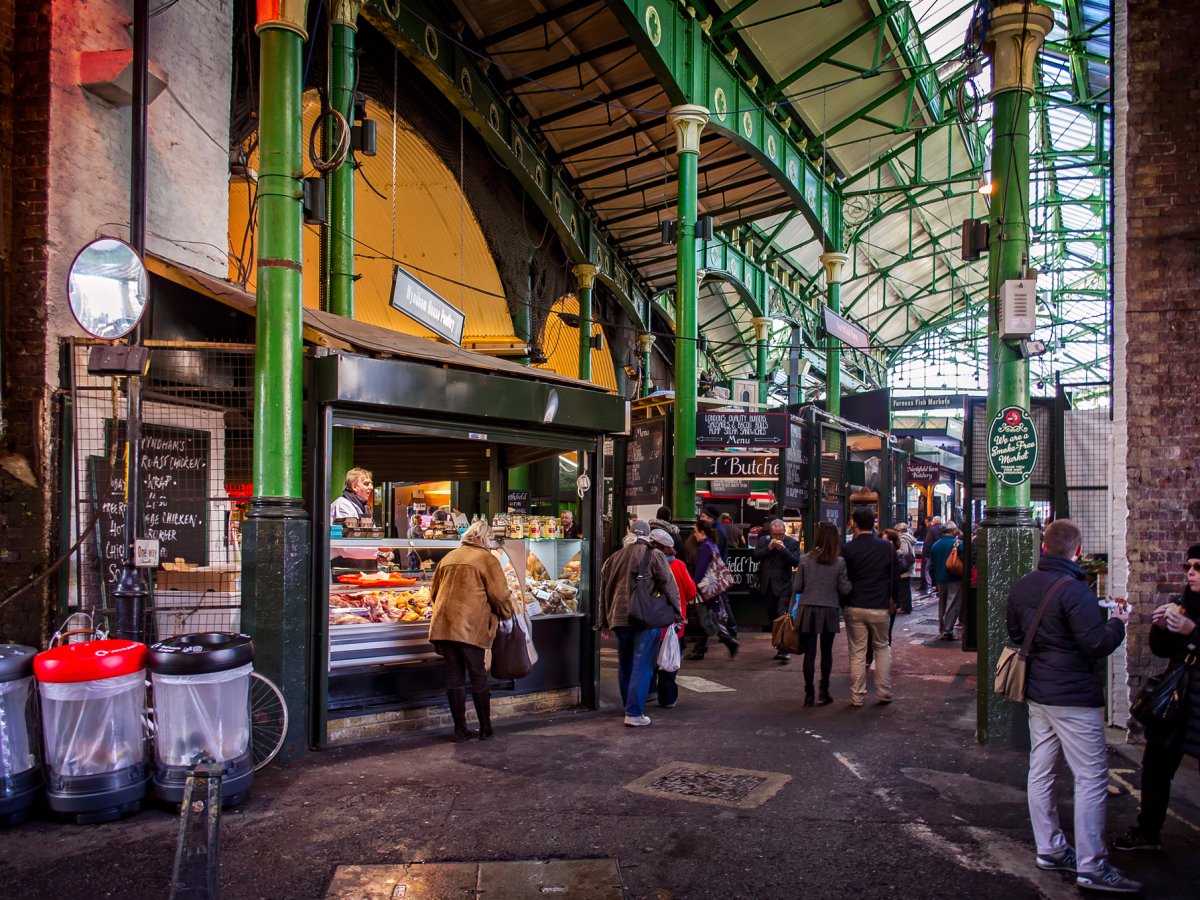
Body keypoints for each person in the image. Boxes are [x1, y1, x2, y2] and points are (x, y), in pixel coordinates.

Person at [1006, 519, 1139, 894]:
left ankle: (1049, 848)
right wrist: (1118, 622)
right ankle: (1092, 866)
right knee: (1092, 777)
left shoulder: (1023, 585)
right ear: (1077, 551)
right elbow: (1095, 644)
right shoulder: (1076, 590)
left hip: (1038, 692)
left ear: (1044, 547)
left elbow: (1016, 634)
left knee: (1041, 771)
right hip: (1074, 697)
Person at [1113, 542, 1200, 852]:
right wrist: (1161, 628)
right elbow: (1162, 650)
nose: (1191, 573)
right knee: (1156, 765)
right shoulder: (1183, 602)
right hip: (1177, 699)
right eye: (1188, 566)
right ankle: (1147, 831)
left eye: (1198, 567)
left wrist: (1193, 631)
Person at [428, 520, 516, 742]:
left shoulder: (449, 557)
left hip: (444, 625)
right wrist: (507, 616)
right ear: (485, 538)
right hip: (470, 626)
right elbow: (499, 596)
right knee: (478, 675)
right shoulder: (487, 559)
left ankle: (460, 730)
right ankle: (486, 728)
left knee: (454, 676)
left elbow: (433, 592)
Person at [598, 520, 679, 727]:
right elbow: (669, 586)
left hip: (618, 618)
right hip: (645, 618)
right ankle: (634, 713)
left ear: (630, 534)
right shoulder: (654, 555)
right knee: (642, 665)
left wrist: (603, 620)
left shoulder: (613, 558)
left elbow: (603, 592)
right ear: (648, 535)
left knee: (625, 664)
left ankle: (629, 706)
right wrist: (677, 612)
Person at [841, 507, 896, 707]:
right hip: (879, 605)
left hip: (855, 604)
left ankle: (857, 695)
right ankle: (883, 690)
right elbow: (894, 577)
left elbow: (843, 579)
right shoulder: (887, 547)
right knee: (882, 647)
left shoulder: (848, 549)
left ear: (854, 524)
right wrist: (894, 600)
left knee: (857, 651)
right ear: (874, 523)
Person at [793, 522, 851, 706]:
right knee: (826, 652)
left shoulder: (804, 559)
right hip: (829, 609)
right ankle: (824, 690)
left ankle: (809, 693)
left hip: (807, 609)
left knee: (809, 654)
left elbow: (797, 587)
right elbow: (844, 589)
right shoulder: (839, 562)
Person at [647, 528, 695, 709]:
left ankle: (648, 692)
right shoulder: (679, 566)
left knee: (648, 661)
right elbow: (691, 592)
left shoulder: (645, 564)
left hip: (650, 623)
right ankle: (667, 698)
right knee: (669, 663)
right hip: (673, 625)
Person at [685, 518, 739, 660]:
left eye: (696, 531)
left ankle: (729, 641)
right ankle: (699, 649)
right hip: (712, 588)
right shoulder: (712, 544)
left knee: (705, 620)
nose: (694, 534)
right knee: (705, 619)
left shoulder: (704, 547)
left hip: (705, 589)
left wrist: (693, 585)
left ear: (703, 532)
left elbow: (701, 569)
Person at [753, 519, 801, 663]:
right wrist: (769, 548)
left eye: (780, 534)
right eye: (775, 534)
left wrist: (783, 549)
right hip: (767, 586)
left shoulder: (792, 543)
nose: (777, 537)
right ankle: (779, 644)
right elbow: (755, 557)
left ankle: (784, 650)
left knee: (782, 616)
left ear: (784, 532)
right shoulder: (763, 541)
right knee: (772, 617)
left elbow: (796, 561)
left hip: (783, 586)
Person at [928, 521, 964, 641]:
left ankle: (942, 629)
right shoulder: (958, 544)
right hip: (955, 578)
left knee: (942, 604)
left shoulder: (936, 545)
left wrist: (934, 580)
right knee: (952, 604)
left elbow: (931, 566)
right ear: (953, 530)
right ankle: (948, 631)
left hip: (940, 578)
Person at [894, 522, 917, 614]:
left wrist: (895, 550)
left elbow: (904, 551)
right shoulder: (908, 537)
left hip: (904, 566)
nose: (896, 532)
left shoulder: (902, 539)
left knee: (904, 588)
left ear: (900, 530)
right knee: (905, 587)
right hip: (908, 566)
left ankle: (906, 607)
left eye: (896, 530)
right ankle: (905, 606)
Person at [921, 516, 943, 592]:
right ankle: (937, 585)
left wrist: (926, 554)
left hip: (931, 552)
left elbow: (928, 542)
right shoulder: (942, 529)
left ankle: (931, 585)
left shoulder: (932, 530)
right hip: (939, 553)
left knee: (927, 569)